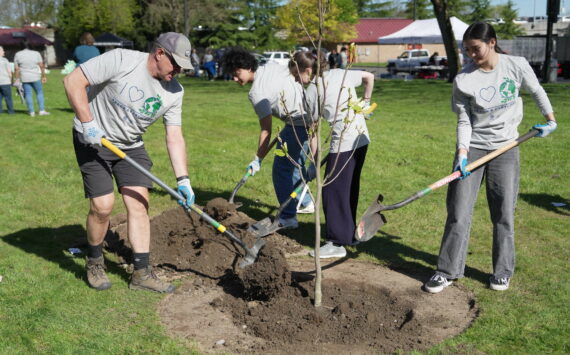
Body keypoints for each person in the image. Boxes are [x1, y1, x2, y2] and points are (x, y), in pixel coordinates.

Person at [424, 22, 557, 294]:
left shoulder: (515, 65)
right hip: (473, 149)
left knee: (503, 213)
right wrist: (462, 153)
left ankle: (502, 271)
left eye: (476, 49)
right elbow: (464, 120)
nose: (472, 55)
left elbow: (536, 91)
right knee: (458, 213)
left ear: (492, 42)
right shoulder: (464, 79)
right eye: (467, 51)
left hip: (506, 148)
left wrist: (550, 120)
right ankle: (447, 270)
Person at [63, 32, 196, 293]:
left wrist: (184, 180)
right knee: (103, 207)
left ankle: (142, 273)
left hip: (130, 146)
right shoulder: (122, 60)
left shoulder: (174, 92)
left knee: (139, 204)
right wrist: (88, 123)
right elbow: (72, 81)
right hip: (93, 140)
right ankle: (95, 261)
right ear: (159, 53)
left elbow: (174, 136)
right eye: (176, 64)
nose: (179, 71)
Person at [289, 51, 375, 258]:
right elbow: (369, 77)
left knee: (332, 193)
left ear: (308, 70)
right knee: (347, 190)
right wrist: (366, 101)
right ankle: (348, 234)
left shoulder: (312, 91)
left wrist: (314, 161)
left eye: (296, 75)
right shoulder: (339, 73)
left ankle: (336, 243)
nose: (295, 79)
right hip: (362, 140)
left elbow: (313, 130)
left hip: (344, 144)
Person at [220, 47, 314, 229]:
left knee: (282, 170)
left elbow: (266, 130)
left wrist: (258, 159)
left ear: (247, 67)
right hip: (310, 119)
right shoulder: (270, 65)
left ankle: (288, 218)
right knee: (295, 166)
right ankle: (306, 202)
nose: (234, 78)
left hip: (297, 123)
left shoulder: (256, 93)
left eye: (236, 73)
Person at [14, 40, 49, 116]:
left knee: (28, 94)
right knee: (39, 93)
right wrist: (43, 76)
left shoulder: (17, 54)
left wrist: (17, 79)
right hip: (35, 76)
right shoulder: (36, 53)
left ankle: (31, 112)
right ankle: (42, 110)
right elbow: (41, 65)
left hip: (24, 77)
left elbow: (16, 69)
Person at [0, 46, 14, 114]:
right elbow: (9, 72)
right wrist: (11, 81)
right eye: (2, 50)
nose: (4, 52)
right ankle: (11, 111)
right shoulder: (4, 60)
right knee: (8, 97)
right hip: (5, 82)